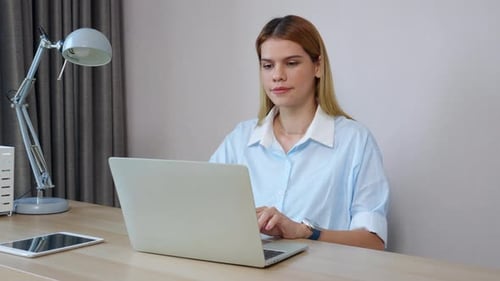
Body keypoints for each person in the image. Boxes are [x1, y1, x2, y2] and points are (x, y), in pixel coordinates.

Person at [209, 15, 389, 250]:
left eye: (291, 63)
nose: (277, 75)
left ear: (318, 66)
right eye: (268, 65)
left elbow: (373, 242)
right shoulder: (239, 139)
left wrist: (305, 232)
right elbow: (205, 213)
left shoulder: (355, 141)